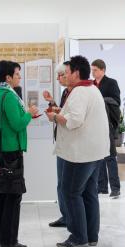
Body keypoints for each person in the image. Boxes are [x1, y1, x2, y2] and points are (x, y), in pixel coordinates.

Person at [48, 55, 109, 247]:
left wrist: (56, 117)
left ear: (76, 72)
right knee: (89, 193)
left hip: (80, 154)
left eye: (66, 72)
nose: (64, 76)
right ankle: (91, 236)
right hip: (95, 152)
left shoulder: (80, 92)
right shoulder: (92, 89)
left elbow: (74, 121)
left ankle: (78, 237)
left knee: (70, 192)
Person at [0, 60, 38, 247]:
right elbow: (17, 124)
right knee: (13, 195)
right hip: (10, 151)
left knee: (1, 195)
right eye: (18, 74)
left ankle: (0, 237)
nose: (20, 77)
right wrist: (29, 113)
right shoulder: (9, 96)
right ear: (8, 77)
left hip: (1, 149)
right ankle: (10, 240)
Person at [43, 61, 70, 228]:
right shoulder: (67, 92)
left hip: (70, 145)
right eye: (58, 76)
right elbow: (63, 112)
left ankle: (70, 218)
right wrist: (52, 103)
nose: (59, 78)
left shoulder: (76, 93)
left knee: (67, 185)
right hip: (62, 141)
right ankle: (65, 216)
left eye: (62, 75)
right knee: (61, 183)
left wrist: (54, 115)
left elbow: (69, 118)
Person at [91, 59, 122, 198]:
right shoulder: (91, 85)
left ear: (103, 70)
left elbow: (116, 101)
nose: (93, 72)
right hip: (95, 123)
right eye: (92, 70)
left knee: (110, 156)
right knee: (99, 156)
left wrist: (101, 100)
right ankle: (102, 187)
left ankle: (115, 188)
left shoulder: (111, 82)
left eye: (95, 70)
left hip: (107, 123)